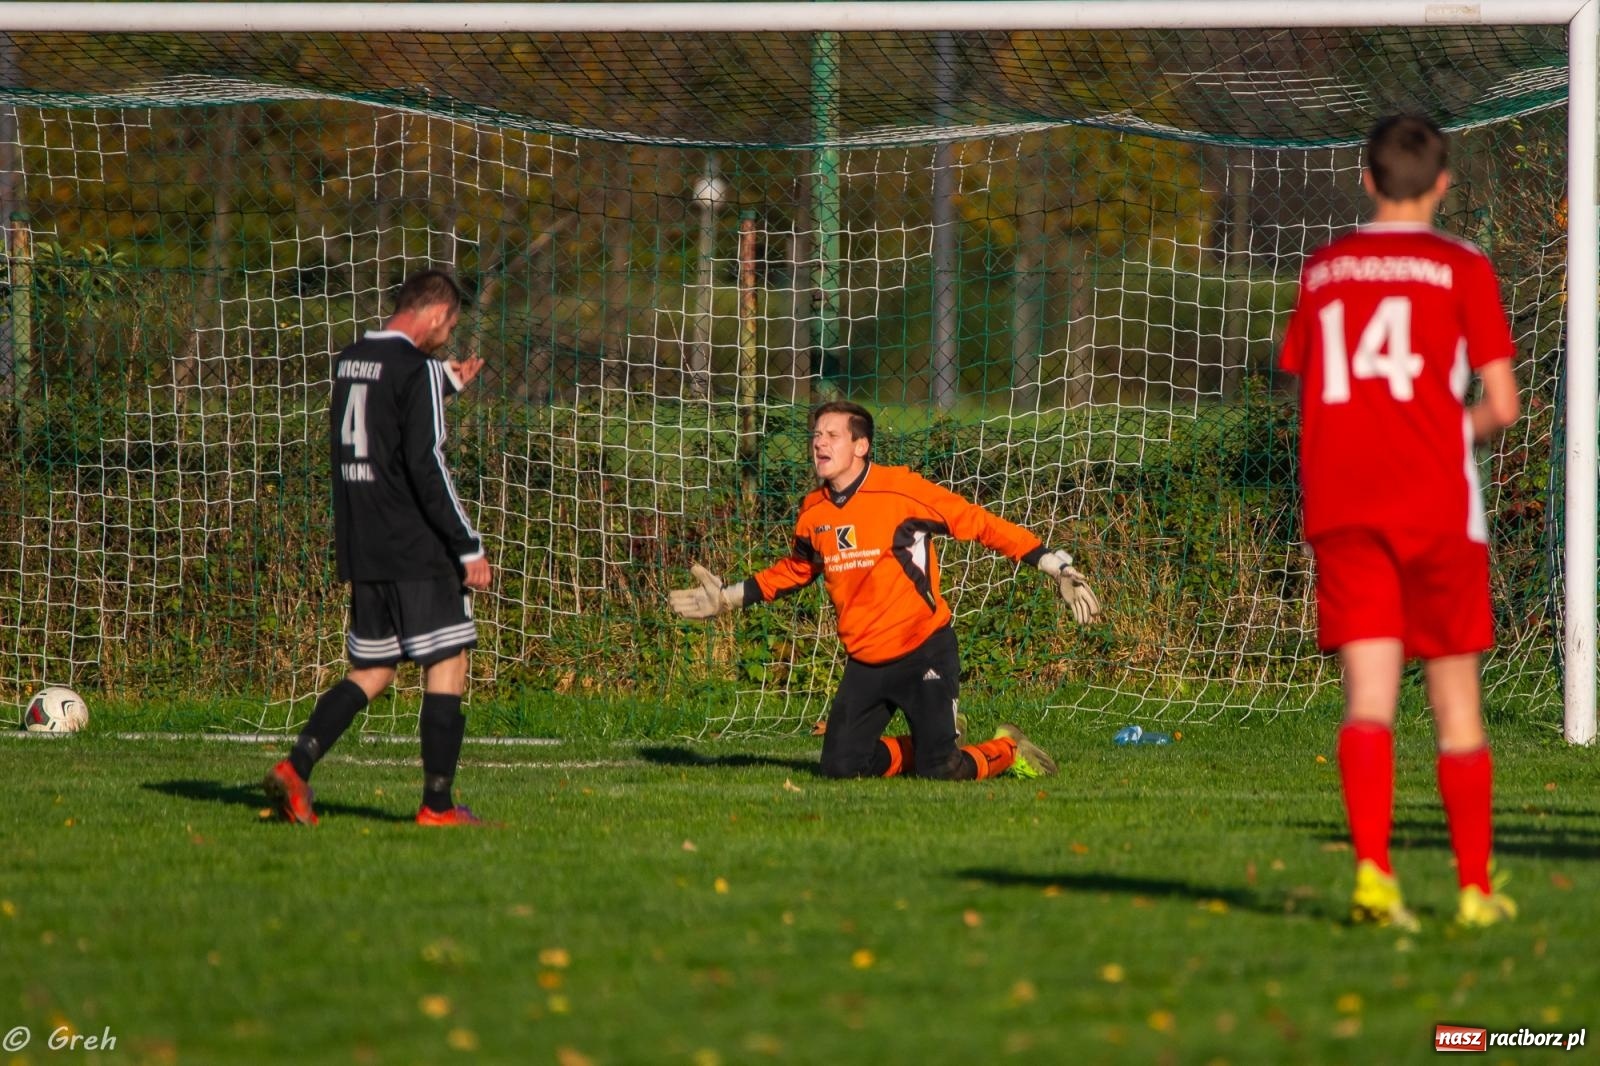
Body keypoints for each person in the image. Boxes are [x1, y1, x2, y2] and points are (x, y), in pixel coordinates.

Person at [1277, 115, 1521, 928]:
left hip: (1345, 505)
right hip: (1436, 506)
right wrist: (1455, 429)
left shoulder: (1323, 271)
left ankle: (1375, 877)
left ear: (1368, 178)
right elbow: (1502, 406)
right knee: (1456, 708)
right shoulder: (1461, 266)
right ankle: (1474, 891)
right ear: (1443, 183)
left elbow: (1307, 381)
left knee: (1369, 702)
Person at [670, 400, 1101, 782]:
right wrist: (727, 598)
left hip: (924, 649)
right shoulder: (812, 511)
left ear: (861, 446)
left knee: (941, 770)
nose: (819, 443)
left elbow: (981, 524)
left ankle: (1007, 747)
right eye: (816, 435)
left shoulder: (903, 491)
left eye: (832, 435)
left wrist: (1053, 564)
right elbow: (797, 570)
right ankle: (930, 740)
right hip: (866, 662)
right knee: (840, 768)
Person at [263, 269, 493, 827]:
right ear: (436, 315)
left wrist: (445, 383)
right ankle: (437, 805)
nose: (448, 338)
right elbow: (425, 463)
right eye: (451, 326)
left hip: (363, 541)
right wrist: (467, 546)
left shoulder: (351, 360)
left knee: (375, 668)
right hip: (414, 543)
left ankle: (297, 767)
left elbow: (382, 409)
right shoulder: (415, 369)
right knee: (449, 656)